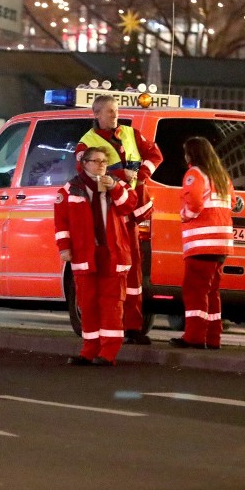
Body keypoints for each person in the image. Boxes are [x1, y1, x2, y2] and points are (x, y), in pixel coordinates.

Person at [76, 94, 162, 345]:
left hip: (131, 210)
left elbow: (155, 154)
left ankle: (133, 326)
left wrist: (142, 173)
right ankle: (112, 325)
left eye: (116, 110)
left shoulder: (131, 134)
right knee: (113, 272)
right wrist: (118, 173)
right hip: (108, 212)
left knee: (134, 271)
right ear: (96, 114)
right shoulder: (86, 143)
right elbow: (84, 171)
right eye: (109, 111)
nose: (115, 115)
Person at [55, 146, 138, 366]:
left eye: (104, 161)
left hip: (113, 253)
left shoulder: (117, 185)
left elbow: (130, 206)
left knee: (112, 304)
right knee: (88, 303)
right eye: (97, 161)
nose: (102, 165)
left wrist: (114, 188)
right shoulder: (70, 190)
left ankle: (108, 353)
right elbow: (61, 222)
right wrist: (64, 247)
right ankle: (89, 350)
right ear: (85, 163)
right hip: (85, 254)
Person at [170, 137, 236, 350]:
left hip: (202, 243)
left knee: (194, 291)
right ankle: (213, 337)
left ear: (192, 154)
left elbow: (195, 201)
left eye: (186, 153)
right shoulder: (221, 176)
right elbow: (233, 202)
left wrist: (186, 215)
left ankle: (194, 337)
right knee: (212, 292)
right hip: (221, 244)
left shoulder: (195, 174)